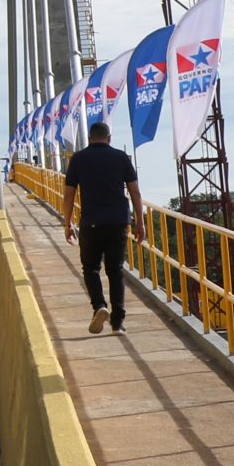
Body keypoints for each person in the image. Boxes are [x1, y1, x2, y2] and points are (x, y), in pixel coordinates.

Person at [62, 120, 145, 335]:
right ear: (109, 138)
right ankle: (118, 323)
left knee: (91, 268)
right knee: (115, 271)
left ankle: (99, 305)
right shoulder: (120, 158)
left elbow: (69, 194)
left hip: (91, 222)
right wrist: (140, 222)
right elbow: (135, 192)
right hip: (118, 221)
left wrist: (67, 223)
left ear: (90, 138)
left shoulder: (79, 159)